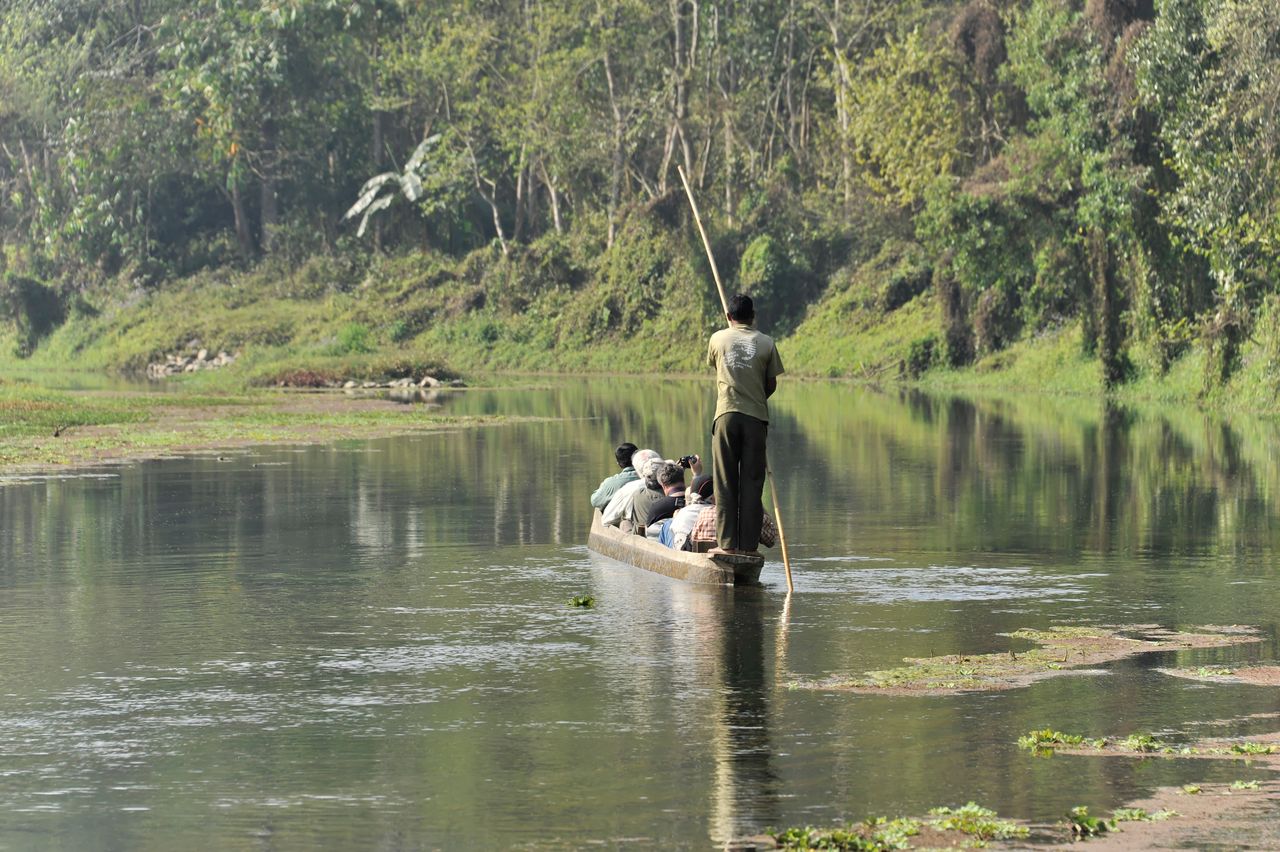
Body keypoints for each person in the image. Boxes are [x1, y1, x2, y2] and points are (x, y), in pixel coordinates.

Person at [706, 293, 784, 555]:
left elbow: (716, 366)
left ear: (729, 317)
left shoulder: (718, 338)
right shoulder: (767, 343)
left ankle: (727, 546)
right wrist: (755, 397)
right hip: (755, 419)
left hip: (726, 416)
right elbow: (770, 384)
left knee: (725, 482)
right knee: (752, 483)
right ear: (753, 316)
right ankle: (749, 548)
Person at [601, 449, 661, 532]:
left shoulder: (629, 488)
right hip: (668, 532)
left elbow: (606, 520)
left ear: (636, 468)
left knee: (624, 523)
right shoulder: (674, 484)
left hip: (642, 534)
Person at [638, 461, 689, 530]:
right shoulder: (697, 503)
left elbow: (649, 534)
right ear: (683, 480)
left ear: (663, 485)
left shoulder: (657, 508)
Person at [590, 442, 639, 509]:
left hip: (620, 517)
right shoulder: (652, 478)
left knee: (600, 505)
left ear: (618, 463)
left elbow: (595, 501)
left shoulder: (610, 483)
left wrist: (602, 487)